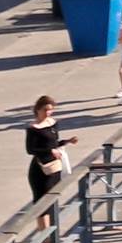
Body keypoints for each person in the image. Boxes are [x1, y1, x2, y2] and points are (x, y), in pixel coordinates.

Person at [25, 95, 79, 228]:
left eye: (50, 110)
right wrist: (49, 151)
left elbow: (54, 143)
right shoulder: (33, 128)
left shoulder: (53, 123)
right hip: (41, 168)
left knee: (52, 200)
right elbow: (31, 149)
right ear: (38, 110)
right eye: (45, 110)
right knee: (41, 201)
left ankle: (52, 233)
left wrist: (67, 141)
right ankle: (45, 234)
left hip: (54, 167)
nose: (48, 113)